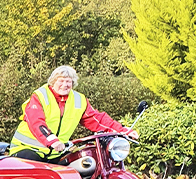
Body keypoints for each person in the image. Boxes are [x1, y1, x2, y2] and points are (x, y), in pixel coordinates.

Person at [10, 65, 139, 162]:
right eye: (61, 80)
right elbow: (36, 122)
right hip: (27, 149)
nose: (65, 85)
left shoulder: (79, 99)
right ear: (53, 81)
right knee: (37, 176)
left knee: (79, 172)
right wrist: (53, 141)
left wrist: (123, 131)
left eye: (68, 81)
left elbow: (97, 119)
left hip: (57, 153)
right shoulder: (40, 96)